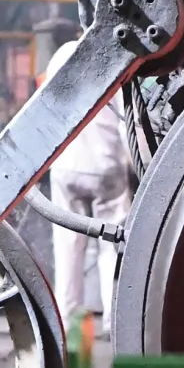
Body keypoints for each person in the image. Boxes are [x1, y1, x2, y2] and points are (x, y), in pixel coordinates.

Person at [42, 41, 132, 337]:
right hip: (105, 165)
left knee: (67, 244)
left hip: (66, 163)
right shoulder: (114, 53)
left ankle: (68, 320)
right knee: (110, 246)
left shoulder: (61, 55)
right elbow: (126, 122)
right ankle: (113, 322)